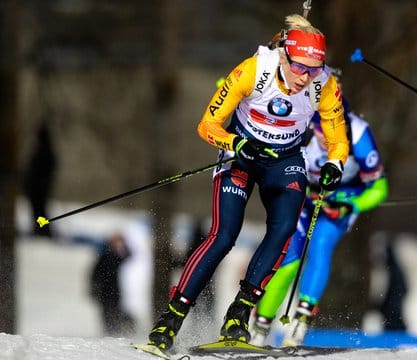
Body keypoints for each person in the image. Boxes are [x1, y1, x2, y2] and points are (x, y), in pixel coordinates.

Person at [146, 14, 349, 352]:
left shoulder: (323, 85)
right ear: (284, 55)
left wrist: (334, 164)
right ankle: (171, 318)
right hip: (241, 155)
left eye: (314, 69)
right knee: (224, 235)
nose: (306, 77)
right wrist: (235, 143)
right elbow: (207, 124)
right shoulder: (253, 70)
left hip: (284, 161)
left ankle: (239, 314)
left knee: (284, 228)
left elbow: (338, 140)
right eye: (300, 67)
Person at [249, 74, 388, 347]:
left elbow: (379, 188)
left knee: (321, 244)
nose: (327, 137)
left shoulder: (359, 134)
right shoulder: (302, 128)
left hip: (341, 202)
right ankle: (260, 326)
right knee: (289, 259)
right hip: (308, 199)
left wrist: (351, 204)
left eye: (335, 128)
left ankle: (301, 321)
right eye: (322, 129)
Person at [89, 232, 134, 336]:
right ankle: (108, 333)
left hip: (115, 291)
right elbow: (94, 274)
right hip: (104, 291)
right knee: (106, 314)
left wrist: (124, 244)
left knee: (116, 312)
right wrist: (94, 289)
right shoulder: (104, 256)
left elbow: (129, 255)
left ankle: (115, 332)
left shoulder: (117, 256)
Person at [24, 121, 57, 237]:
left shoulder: (45, 150)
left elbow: (46, 169)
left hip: (39, 188)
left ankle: (42, 230)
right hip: (36, 187)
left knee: (39, 209)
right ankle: (39, 228)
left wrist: (42, 183)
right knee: (37, 209)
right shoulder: (41, 148)